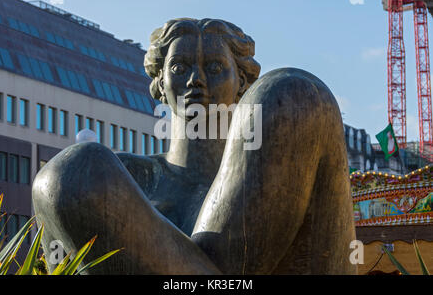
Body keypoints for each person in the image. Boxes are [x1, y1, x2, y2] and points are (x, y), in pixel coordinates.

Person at [32, 18, 357, 274]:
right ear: (159, 81)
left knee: (292, 91)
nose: (195, 80)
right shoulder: (122, 178)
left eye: (214, 68)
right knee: (70, 173)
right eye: (179, 67)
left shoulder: (281, 160)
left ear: (242, 82)